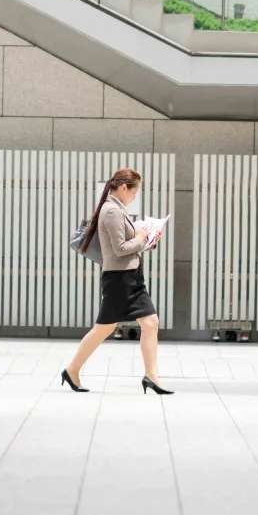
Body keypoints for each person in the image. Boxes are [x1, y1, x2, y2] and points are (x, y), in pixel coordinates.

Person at [61, 168, 171, 396]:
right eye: (135, 191)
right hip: (120, 279)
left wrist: (149, 240)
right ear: (123, 188)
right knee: (105, 328)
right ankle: (71, 370)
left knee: (150, 323)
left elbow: (126, 247)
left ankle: (152, 376)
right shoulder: (111, 212)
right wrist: (141, 238)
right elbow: (120, 250)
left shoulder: (115, 210)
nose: (135, 196)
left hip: (129, 276)